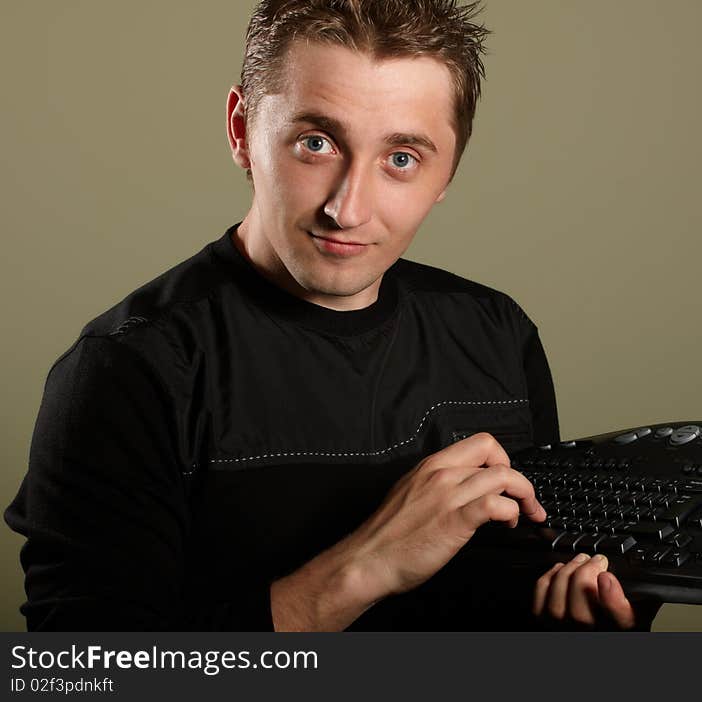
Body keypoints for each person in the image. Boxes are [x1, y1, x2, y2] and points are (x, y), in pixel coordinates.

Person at [6, 0, 659, 631]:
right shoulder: (130, 370)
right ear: (241, 132)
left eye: (401, 159)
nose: (347, 209)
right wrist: (363, 567)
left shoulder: (497, 333)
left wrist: (583, 628)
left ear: (448, 171)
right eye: (315, 143)